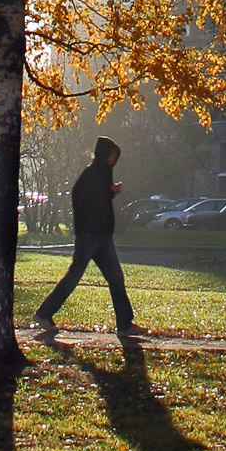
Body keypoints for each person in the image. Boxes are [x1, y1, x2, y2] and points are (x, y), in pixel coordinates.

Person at [33, 136, 148, 336]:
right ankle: (44, 313)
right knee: (75, 276)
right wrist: (109, 191)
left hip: (102, 236)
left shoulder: (102, 174)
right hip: (90, 236)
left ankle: (125, 324)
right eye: (112, 154)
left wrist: (108, 191)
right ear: (105, 154)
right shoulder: (92, 174)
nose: (114, 158)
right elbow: (86, 198)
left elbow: (96, 197)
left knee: (115, 278)